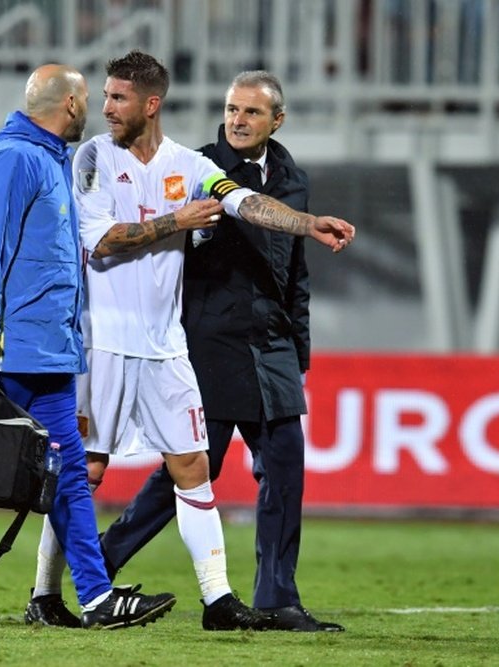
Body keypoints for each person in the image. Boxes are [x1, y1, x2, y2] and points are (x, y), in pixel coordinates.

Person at [24, 51, 354, 631]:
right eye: (104, 96)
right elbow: (103, 243)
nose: (106, 108)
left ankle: (218, 600)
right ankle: (45, 593)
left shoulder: (188, 163)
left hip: (166, 348)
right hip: (106, 345)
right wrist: (178, 221)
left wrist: (309, 223)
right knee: (88, 470)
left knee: (193, 467)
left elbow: (242, 202)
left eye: (118, 98)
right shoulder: (92, 158)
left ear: (151, 104)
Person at [0, 63, 177, 630]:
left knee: (64, 473)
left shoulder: (46, 159)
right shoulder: (14, 158)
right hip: (7, 350)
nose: (90, 108)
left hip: (46, 351)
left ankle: (95, 597)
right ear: (69, 104)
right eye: (87, 99)